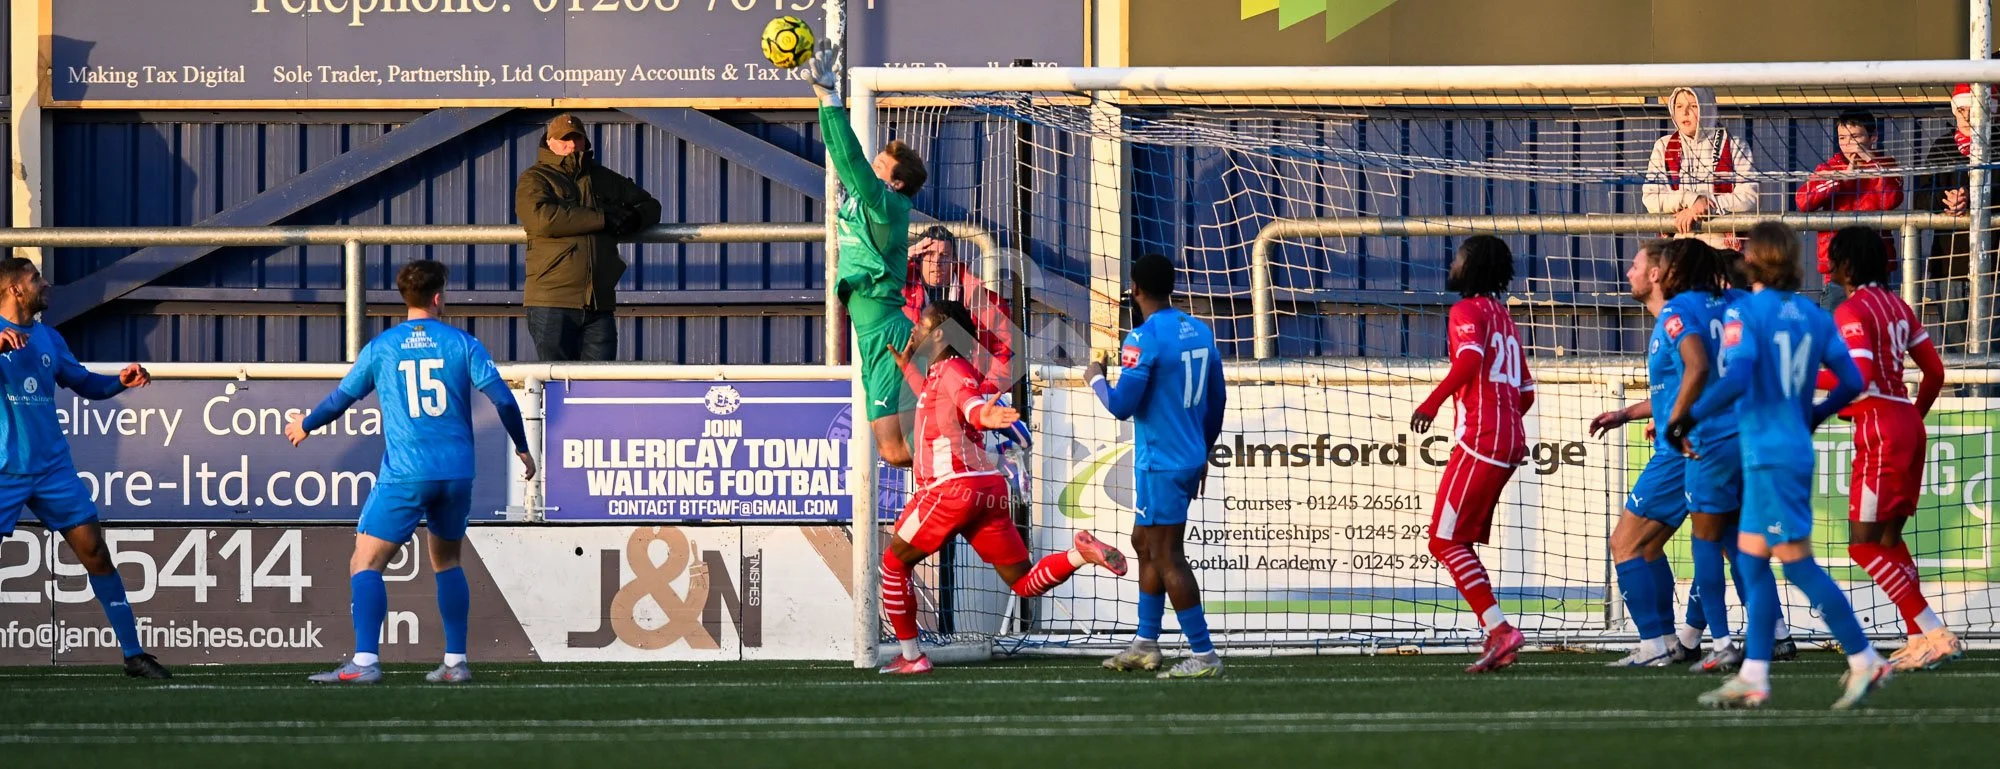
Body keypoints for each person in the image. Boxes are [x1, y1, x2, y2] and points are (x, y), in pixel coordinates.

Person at [1671, 221, 1889, 710]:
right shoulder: (1813, 315)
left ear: (1752, 261)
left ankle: (1863, 656)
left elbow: (1739, 375)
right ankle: (1754, 673)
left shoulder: (1746, 310)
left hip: (1769, 454)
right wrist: (1812, 413)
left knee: (1797, 564)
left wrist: (1689, 415)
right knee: (1750, 559)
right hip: (1785, 447)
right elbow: (1852, 379)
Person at [288, 260, 536, 685]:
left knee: (365, 561)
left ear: (406, 298)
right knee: (447, 562)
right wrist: (523, 448)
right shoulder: (462, 343)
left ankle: (365, 662)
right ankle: (455, 663)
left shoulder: (382, 347)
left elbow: (341, 399)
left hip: (407, 472)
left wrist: (305, 425)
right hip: (456, 473)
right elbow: (506, 402)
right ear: (439, 296)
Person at [876, 300, 1127, 675]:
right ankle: (1081, 555)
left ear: (940, 332)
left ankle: (912, 657)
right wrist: (907, 370)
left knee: (894, 565)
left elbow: (970, 403)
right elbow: (943, 401)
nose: (915, 328)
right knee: (1024, 582)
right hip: (983, 492)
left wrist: (984, 414)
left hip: (950, 490)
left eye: (922, 323)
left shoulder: (954, 369)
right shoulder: (939, 370)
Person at [0, 257, 167, 679]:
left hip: (53, 470)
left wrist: (118, 382)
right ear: (16, 289)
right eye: (36, 278)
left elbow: (83, 382)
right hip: (4, 470)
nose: (46, 283)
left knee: (95, 551)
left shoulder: (49, 338)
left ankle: (134, 655)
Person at [1817, 226, 1962, 672]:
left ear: (1847, 265)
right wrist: (1914, 415)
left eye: (1833, 258)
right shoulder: (1900, 306)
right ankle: (1917, 637)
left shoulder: (1851, 309)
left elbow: (1858, 376)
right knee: (1888, 539)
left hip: (1879, 425)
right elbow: (1934, 372)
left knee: (1862, 546)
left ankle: (1934, 632)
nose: (1829, 266)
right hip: (1907, 423)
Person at [1088, 254, 1227, 679]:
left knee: (1168, 556)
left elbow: (1122, 406)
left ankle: (1204, 655)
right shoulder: (1200, 331)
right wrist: (1202, 450)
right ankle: (1146, 643)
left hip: (1160, 463)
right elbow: (1217, 400)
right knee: (1143, 543)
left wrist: (1095, 378)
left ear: (1136, 289)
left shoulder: (1141, 339)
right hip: (1185, 457)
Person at [1588, 239, 1720, 668]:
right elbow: (1680, 386)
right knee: (1649, 549)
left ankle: (1658, 643)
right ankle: (1670, 639)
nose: (1628, 272)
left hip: (1681, 450)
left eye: (1635, 265)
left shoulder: (1676, 318)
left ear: (1657, 275)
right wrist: (1628, 412)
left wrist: (1678, 422)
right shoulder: (1678, 317)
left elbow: (1700, 374)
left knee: (1624, 544)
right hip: (1691, 444)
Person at [1408, 235, 1534, 674]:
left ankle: (1500, 630)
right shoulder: (1504, 316)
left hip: (1481, 439)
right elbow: (1526, 392)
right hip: (1507, 438)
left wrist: (1433, 402)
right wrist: (1502, 416)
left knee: (1444, 540)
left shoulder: (1465, 312)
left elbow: (1467, 363)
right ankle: (1496, 632)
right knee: (1456, 540)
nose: (1453, 261)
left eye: (1460, 255)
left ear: (1472, 265)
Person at [803, 47, 929, 469]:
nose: (871, 168)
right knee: (893, 453)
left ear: (894, 184)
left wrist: (835, 100)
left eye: (881, 166)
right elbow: (843, 158)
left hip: (890, 336)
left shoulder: (888, 207)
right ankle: (962, 451)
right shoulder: (867, 199)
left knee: (897, 453)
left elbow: (853, 162)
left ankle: (978, 454)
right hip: (873, 336)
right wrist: (824, 100)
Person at [515, 113, 662, 362]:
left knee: (598, 388)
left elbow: (651, 205)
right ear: (549, 142)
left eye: (577, 138)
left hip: (599, 303)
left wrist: (635, 218)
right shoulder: (535, 178)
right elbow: (542, 218)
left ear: (585, 142)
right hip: (552, 301)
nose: (571, 145)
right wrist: (603, 217)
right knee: (556, 386)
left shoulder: (602, 178)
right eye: (565, 139)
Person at [1912, 82, 1998, 352]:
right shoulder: (1941, 147)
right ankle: (1963, 395)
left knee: (1993, 346)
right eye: (1961, 109)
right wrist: (1945, 202)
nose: (1967, 116)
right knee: (1955, 343)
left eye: (1974, 110)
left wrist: (1976, 201)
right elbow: (1920, 197)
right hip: (1948, 264)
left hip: (1995, 263)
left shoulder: (1997, 145)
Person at [1794, 110, 1904, 310]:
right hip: (1838, 270)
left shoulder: (1887, 166)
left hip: (1875, 270)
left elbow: (1891, 199)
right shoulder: (1828, 169)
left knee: (1874, 329)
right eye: (1842, 138)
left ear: (1873, 137)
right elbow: (1803, 201)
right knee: (1834, 332)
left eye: (1855, 137)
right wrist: (1839, 180)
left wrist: (1871, 164)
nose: (1848, 144)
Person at [1643, 87, 1760, 249]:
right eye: (1678, 106)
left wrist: (1706, 206)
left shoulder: (1734, 144)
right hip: (1678, 246)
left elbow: (1749, 197)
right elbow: (1650, 199)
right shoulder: (1663, 146)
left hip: (1724, 249)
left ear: (1707, 108)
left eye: (1693, 106)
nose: (1685, 112)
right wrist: (1691, 199)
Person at [904, 226, 1015, 390]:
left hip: (968, 392)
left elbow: (1005, 355)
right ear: (918, 261)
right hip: (911, 394)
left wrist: (978, 394)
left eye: (944, 255)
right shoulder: (898, 294)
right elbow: (870, 288)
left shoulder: (986, 302)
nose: (937, 262)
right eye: (930, 255)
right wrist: (902, 260)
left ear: (955, 262)